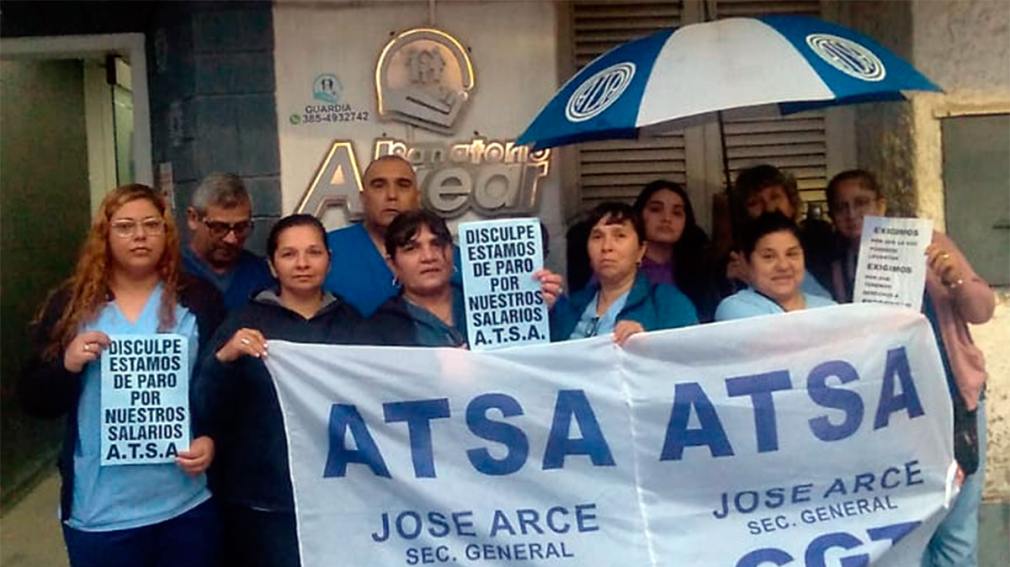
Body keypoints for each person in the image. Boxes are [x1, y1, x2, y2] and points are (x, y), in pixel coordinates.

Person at [20, 184, 223, 567]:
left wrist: (211, 437)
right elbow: (32, 399)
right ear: (105, 235)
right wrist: (67, 364)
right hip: (101, 511)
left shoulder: (199, 299)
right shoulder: (72, 305)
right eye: (126, 226)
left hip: (185, 505)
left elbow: (219, 386)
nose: (140, 236)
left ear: (167, 232)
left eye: (151, 225)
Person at [824, 169, 995, 567]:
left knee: (956, 529)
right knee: (908, 529)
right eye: (841, 208)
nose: (852, 214)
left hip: (955, 401)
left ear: (882, 204)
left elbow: (982, 310)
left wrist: (955, 280)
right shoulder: (840, 269)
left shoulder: (930, 244)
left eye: (861, 203)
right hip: (893, 414)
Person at [193, 214, 361, 567]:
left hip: (339, 495)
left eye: (313, 252)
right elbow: (204, 405)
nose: (302, 263)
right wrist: (225, 357)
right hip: (264, 502)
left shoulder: (354, 324)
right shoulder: (242, 322)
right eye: (289, 254)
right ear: (271, 265)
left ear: (329, 260)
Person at [366, 210, 562, 347]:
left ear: (452, 252)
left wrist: (541, 311)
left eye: (437, 244)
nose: (429, 256)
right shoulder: (378, 329)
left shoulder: (496, 303)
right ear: (392, 264)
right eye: (411, 248)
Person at [324, 155, 460, 317]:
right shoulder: (327, 251)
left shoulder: (451, 256)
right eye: (379, 186)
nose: (392, 195)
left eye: (403, 185)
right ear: (363, 198)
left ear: (417, 197)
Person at [551, 202, 698, 343]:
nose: (606, 247)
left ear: (641, 250)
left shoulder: (668, 303)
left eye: (620, 236)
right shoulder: (572, 305)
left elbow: (689, 354)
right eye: (597, 237)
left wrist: (649, 343)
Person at [724, 164, 832, 298]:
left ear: (792, 203)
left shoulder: (820, 241)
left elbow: (826, 302)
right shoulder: (737, 257)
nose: (768, 208)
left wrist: (757, 280)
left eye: (775, 197)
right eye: (754, 203)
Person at [715, 212, 836, 320]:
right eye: (769, 256)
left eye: (791, 254)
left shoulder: (829, 308)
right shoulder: (734, 309)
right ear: (745, 261)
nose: (783, 266)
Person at [183, 172, 274, 311]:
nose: (231, 239)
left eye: (241, 227)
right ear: (193, 219)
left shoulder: (260, 274)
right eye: (219, 228)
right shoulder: (170, 273)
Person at [633, 179, 719, 321]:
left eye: (677, 213)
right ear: (639, 215)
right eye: (656, 209)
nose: (667, 218)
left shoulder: (699, 269)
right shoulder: (622, 266)